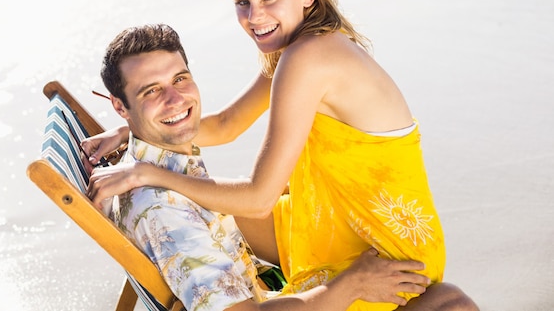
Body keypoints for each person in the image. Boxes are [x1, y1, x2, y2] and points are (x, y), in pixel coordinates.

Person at [86, 0, 479, 310]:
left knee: (226, 198)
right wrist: (135, 128)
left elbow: (259, 199)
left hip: (383, 249)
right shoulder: (301, 46)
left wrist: (147, 172)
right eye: (243, 2)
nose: (254, 16)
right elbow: (225, 125)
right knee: (214, 199)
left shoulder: (307, 58)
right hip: (338, 218)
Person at [84, 23, 439, 311]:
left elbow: (225, 123)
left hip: (263, 285)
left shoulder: (155, 165)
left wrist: (133, 128)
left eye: (180, 79)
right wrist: (351, 286)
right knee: (447, 304)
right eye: (151, 91)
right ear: (120, 105)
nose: (176, 99)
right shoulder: (163, 213)